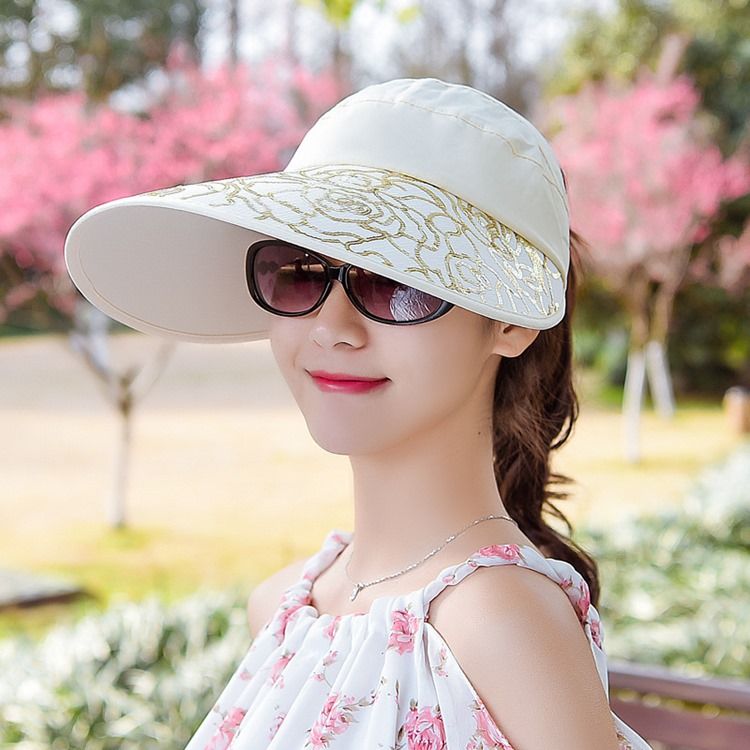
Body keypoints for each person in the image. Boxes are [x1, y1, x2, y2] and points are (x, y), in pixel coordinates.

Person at [64, 77, 652, 749]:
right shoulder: (287, 609)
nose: (332, 326)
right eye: (302, 272)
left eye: (397, 282)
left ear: (511, 322)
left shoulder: (500, 621)